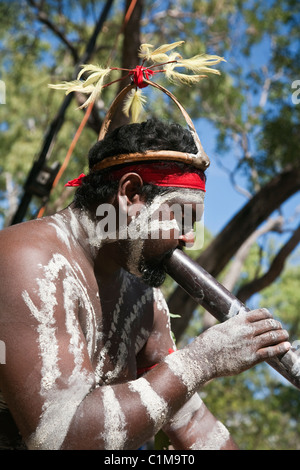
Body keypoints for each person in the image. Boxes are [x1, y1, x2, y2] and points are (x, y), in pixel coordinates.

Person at [0, 118, 291, 450]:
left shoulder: (144, 300)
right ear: (131, 193)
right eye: (182, 217)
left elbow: (192, 422)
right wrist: (201, 361)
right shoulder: (26, 260)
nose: (189, 237)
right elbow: (59, 437)